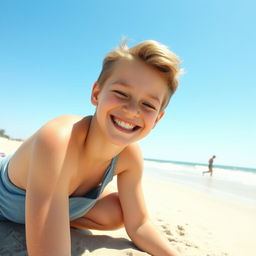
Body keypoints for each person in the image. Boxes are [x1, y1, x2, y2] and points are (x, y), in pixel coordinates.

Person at [0, 40, 182, 256]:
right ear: (96, 94)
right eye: (122, 93)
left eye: (148, 105)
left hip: (45, 204)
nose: (133, 110)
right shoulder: (58, 140)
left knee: (117, 212)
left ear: (157, 119)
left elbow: (139, 225)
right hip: (6, 202)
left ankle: (52, 216)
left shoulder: (130, 157)